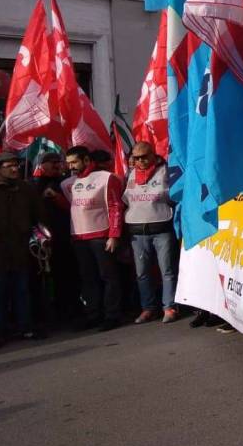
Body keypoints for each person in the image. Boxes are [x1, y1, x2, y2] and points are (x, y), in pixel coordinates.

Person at [0, 151, 46, 348]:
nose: (14, 168)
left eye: (16, 165)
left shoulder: (26, 189)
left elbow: (40, 218)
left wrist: (44, 241)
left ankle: (25, 327)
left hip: (21, 249)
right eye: (9, 165)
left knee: (22, 291)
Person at [61, 146, 124, 331]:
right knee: (88, 278)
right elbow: (72, 207)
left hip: (101, 236)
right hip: (79, 238)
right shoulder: (68, 183)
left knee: (108, 277)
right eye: (68, 163)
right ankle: (93, 314)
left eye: (74, 162)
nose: (70, 166)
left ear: (87, 160)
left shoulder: (106, 178)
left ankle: (112, 315)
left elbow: (115, 207)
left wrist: (114, 235)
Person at [123, 142, 180, 324]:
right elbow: (125, 199)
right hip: (137, 231)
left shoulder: (165, 171)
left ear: (153, 155)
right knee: (142, 273)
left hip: (161, 228)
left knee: (167, 270)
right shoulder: (130, 174)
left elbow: (175, 196)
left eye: (144, 157)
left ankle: (169, 306)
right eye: (137, 158)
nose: (140, 161)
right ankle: (148, 308)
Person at [33, 152, 81, 324]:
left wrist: (56, 197)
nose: (56, 165)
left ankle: (72, 309)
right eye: (51, 162)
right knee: (50, 278)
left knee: (70, 275)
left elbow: (74, 206)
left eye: (57, 162)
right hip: (43, 241)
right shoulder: (34, 184)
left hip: (66, 236)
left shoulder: (66, 182)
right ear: (42, 165)